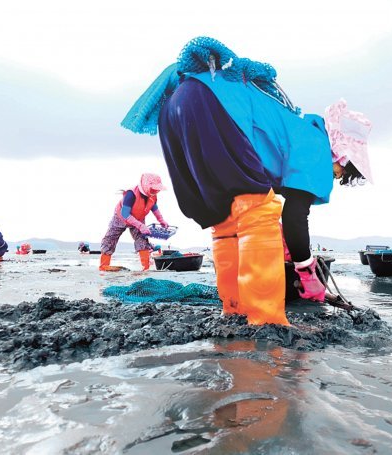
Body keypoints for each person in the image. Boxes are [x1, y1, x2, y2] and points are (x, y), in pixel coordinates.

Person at [120, 37, 372, 325]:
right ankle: (266, 322)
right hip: (217, 103)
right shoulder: (316, 142)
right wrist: (305, 269)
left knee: (228, 220)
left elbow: (268, 195)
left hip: (178, 103)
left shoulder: (292, 127)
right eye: (339, 172)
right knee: (257, 211)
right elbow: (294, 215)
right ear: (340, 156)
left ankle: (235, 310)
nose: (333, 177)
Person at [99, 173, 170, 271]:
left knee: (142, 239)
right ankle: (103, 266)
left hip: (139, 218)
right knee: (110, 238)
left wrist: (161, 220)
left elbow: (154, 208)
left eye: (157, 189)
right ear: (146, 185)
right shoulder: (131, 194)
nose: (156, 191)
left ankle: (145, 268)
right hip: (121, 217)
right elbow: (125, 214)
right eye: (153, 188)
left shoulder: (152, 196)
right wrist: (140, 226)